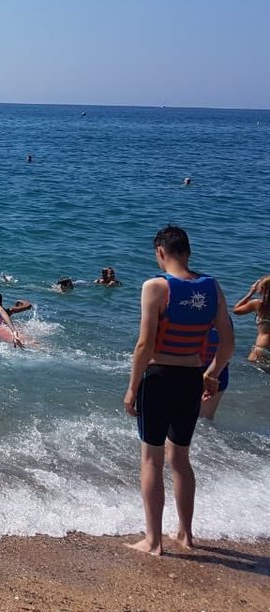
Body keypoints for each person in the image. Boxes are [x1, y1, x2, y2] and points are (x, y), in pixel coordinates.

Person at [123, 225, 233, 556]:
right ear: (188, 251)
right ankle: (185, 534)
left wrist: (132, 388)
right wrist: (212, 374)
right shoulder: (211, 286)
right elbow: (227, 342)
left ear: (160, 252)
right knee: (180, 458)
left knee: (151, 459)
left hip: (159, 378)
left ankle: (153, 541)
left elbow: (144, 344)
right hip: (190, 378)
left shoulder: (156, 286)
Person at [199, 318, 233, 421]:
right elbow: (228, 347)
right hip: (218, 370)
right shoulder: (223, 318)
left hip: (192, 368)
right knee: (205, 420)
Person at [232, 275, 270, 365]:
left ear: (261, 288)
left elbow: (236, 310)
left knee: (249, 370)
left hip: (262, 347)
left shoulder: (258, 304)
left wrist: (251, 292)